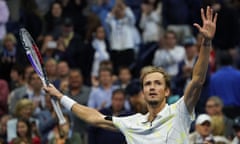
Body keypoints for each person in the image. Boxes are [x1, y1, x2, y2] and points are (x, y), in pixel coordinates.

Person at [44, 6, 217, 144]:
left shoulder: (180, 111)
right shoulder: (132, 122)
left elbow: (197, 80)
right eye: (148, 84)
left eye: (157, 83)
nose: (152, 87)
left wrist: (206, 43)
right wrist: (60, 96)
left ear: (167, 92)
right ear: (143, 92)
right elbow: (94, 117)